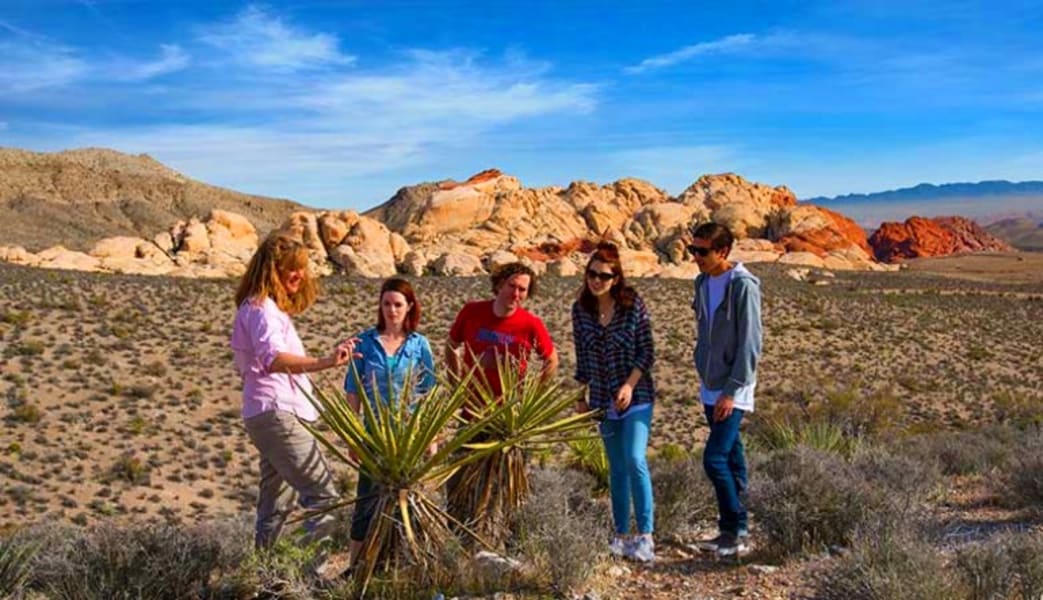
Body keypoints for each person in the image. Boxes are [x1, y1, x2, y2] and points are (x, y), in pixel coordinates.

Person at [230, 231, 357, 550]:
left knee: (275, 504)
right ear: (274, 270)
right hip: (278, 413)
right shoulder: (260, 308)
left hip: (269, 413)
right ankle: (306, 574)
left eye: (302, 267)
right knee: (323, 496)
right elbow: (273, 359)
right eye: (292, 267)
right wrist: (325, 362)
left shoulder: (265, 308)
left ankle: (265, 574)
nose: (299, 274)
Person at [571, 242, 656, 562]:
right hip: (602, 398)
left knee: (635, 459)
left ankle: (646, 535)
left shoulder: (632, 305)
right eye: (591, 274)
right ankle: (621, 534)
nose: (595, 281)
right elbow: (582, 355)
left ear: (616, 278)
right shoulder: (580, 310)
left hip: (636, 395)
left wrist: (629, 385)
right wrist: (580, 397)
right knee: (616, 468)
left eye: (603, 276)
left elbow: (647, 351)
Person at [343, 277, 436, 565]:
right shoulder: (365, 343)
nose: (392, 310)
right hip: (373, 436)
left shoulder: (420, 345)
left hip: (410, 437)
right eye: (387, 304)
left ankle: (405, 565)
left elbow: (427, 393)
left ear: (409, 307)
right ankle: (356, 566)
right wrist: (353, 435)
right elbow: (353, 392)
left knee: (409, 502)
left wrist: (431, 437)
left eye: (398, 304)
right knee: (366, 501)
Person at [688, 222, 763, 557]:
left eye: (702, 251)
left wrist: (731, 391)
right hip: (710, 383)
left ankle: (731, 529)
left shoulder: (742, 285)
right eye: (693, 250)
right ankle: (741, 528)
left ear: (723, 251)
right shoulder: (702, 282)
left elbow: (750, 342)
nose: (696, 257)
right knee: (733, 455)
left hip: (733, 388)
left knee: (714, 459)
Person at [444, 262, 559, 408]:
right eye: (512, 286)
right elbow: (451, 345)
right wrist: (455, 385)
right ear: (499, 285)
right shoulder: (471, 312)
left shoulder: (530, 324)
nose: (516, 294)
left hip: (509, 411)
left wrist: (531, 396)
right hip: (472, 407)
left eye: (522, 290)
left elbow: (552, 360)